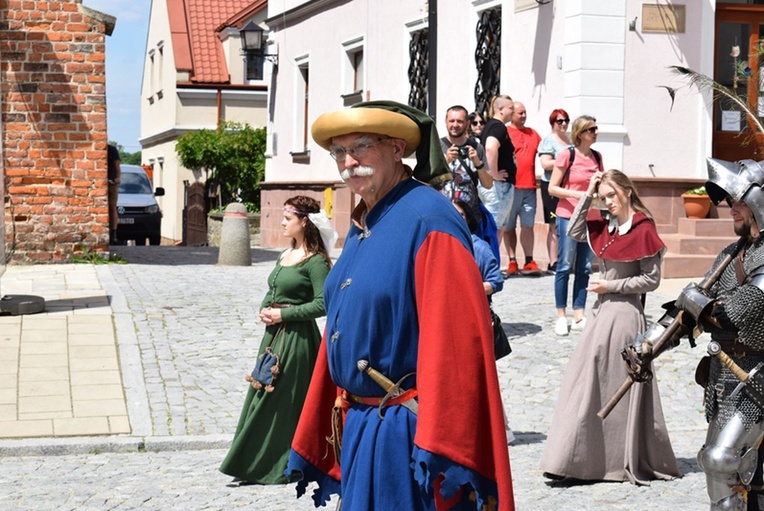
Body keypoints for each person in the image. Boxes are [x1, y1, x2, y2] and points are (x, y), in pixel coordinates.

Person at [286, 100, 514, 511]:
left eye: (360, 146)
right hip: (359, 427)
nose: (348, 161)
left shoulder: (429, 218)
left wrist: (436, 438)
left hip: (405, 436)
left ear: (396, 147)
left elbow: (457, 345)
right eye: (339, 152)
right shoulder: (364, 220)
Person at [540, 169, 679, 486]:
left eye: (611, 195)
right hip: (602, 313)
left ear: (628, 191)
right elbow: (574, 231)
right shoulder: (607, 226)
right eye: (604, 198)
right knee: (585, 379)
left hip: (626, 315)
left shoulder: (643, 228)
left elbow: (651, 280)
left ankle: (603, 461)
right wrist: (588, 192)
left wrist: (611, 285)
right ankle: (573, 459)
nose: (608, 203)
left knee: (613, 383)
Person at [220, 195, 335, 485]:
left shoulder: (316, 263)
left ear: (304, 222)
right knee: (261, 394)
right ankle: (249, 460)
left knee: (281, 402)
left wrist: (285, 315)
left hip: (297, 341)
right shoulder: (284, 255)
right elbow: (274, 289)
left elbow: (324, 304)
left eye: (288, 219)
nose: (282, 223)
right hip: (273, 337)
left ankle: (279, 464)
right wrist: (265, 309)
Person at [670, 158, 764, 510]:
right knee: (716, 465)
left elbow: (735, 314)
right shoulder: (732, 253)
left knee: (722, 458)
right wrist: (649, 343)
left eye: (737, 202)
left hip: (757, 376)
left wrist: (697, 303)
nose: (730, 209)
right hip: (727, 376)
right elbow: (688, 309)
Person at [548, 115, 603, 336]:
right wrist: (580, 194)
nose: (596, 132)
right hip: (569, 216)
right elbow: (552, 187)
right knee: (564, 265)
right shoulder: (567, 155)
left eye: (596, 128)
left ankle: (579, 313)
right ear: (580, 133)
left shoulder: (597, 156)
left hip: (593, 218)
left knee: (585, 268)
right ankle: (561, 315)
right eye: (592, 129)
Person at [438, 104, 500, 261]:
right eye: (451, 121)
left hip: (471, 216)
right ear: (445, 122)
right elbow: (425, 181)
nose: (455, 125)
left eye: (459, 121)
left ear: (466, 123)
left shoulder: (476, 147)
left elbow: (488, 184)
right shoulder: (437, 146)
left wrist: (477, 162)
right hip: (443, 212)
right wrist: (446, 161)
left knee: (470, 258)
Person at [481, 94, 517, 271]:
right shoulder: (498, 127)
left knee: (496, 227)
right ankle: (489, 269)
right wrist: (493, 173)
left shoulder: (492, 126)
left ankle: (489, 266)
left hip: (496, 186)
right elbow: (490, 147)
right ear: (501, 109)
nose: (513, 111)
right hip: (498, 187)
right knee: (495, 229)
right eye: (511, 108)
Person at [506, 101, 542, 275]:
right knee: (509, 226)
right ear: (511, 114)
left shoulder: (533, 133)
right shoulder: (505, 132)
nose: (523, 115)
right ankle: (512, 260)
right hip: (512, 187)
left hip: (530, 186)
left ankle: (529, 260)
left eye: (525, 112)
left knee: (527, 225)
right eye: (520, 113)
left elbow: (545, 152)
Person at [538, 109, 573, 274]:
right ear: (553, 122)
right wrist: (564, 160)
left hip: (569, 186)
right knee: (554, 225)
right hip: (551, 185)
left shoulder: (570, 140)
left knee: (568, 224)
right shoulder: (548, 141)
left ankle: (567, 259)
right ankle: (554, 262)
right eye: (560, 121)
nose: (564, 124)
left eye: (566, 120)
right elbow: (545, 163)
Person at [107, 144, 121, 245]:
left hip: (111, 182)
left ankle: (113, 234)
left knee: (112, 206)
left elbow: (117, 164)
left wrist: (117, 178)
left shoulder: (111, 149)